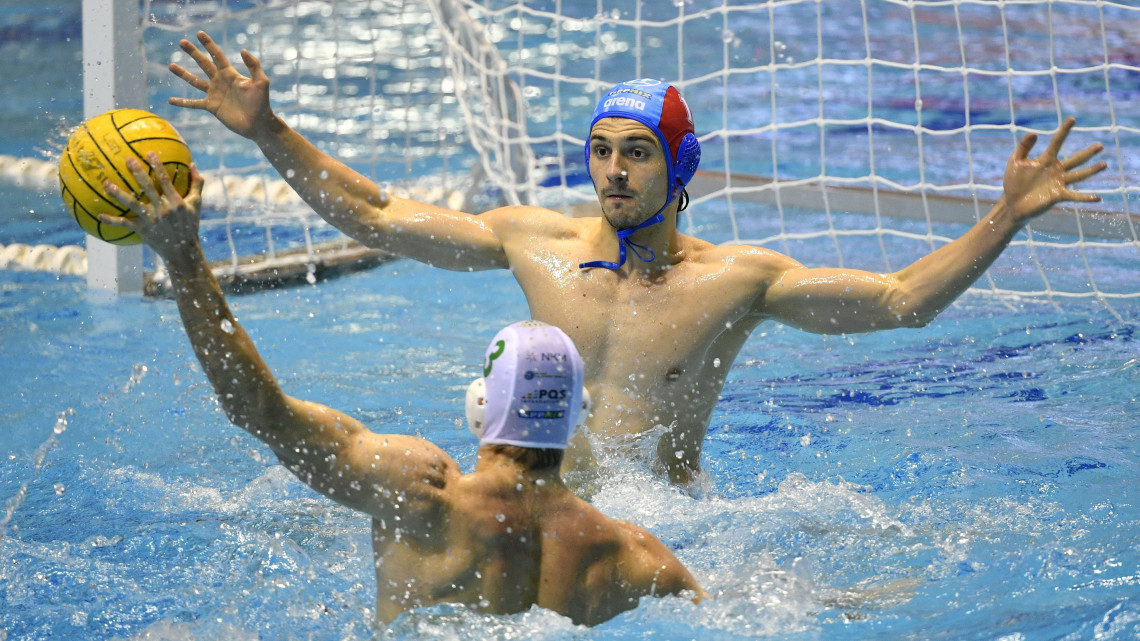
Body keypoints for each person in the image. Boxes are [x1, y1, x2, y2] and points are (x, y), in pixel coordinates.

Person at [168, 31, 1107, 483]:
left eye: (638, 152)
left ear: (680, 164)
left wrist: (1006, 218)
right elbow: (375, 213)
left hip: (669, 520)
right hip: (531, 503)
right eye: (602, 151)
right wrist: (268, 131)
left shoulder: (737, 282)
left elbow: (902, 298)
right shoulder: (534, 244)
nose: (612, 173)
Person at [98, 154, 705, 626]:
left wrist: (183, 258)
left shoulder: (417, 492)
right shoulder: (630, 553)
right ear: (576, 419)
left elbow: (255, 408)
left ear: (478, 406)